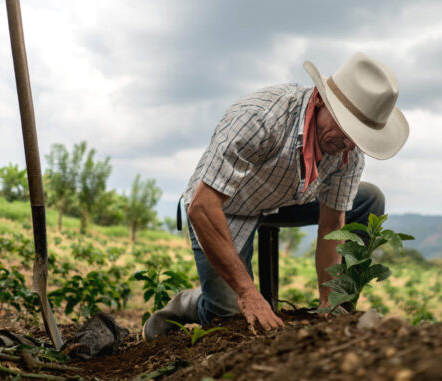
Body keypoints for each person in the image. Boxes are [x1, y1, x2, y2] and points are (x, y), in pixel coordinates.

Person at [143, 52, 409, 340]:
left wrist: (328, 304)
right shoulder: (261, 118)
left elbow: (333, 225)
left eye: (358, 137)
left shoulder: (347, 150)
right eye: (346, 129)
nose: (348, 144)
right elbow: (203, 206)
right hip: (226, 205)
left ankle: (340, 311)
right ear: (320, 99)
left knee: (369, 199)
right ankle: (189, 303)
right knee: (228, 314)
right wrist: (247, 292)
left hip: (284, 199)